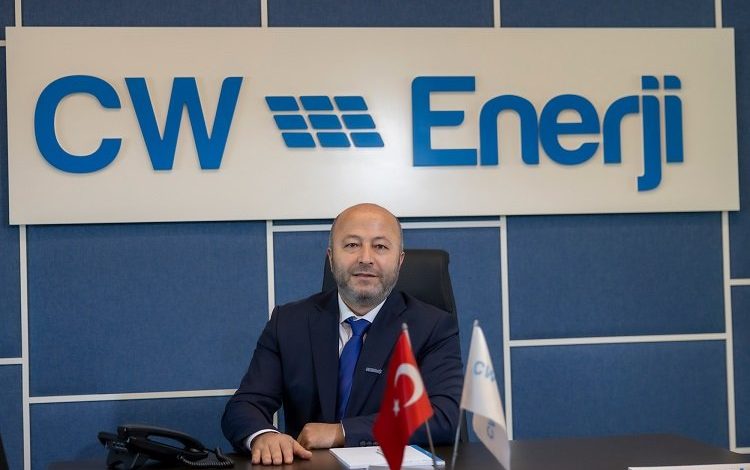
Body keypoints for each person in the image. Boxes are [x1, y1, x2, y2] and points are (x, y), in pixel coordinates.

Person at [221, 203, 462, 465]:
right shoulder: (289, 322)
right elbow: (244, 406)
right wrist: (263, 435)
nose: (366, 258)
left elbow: (444, 415)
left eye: (380, 246)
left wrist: (342, 432)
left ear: (399, 260)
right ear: (331, 257)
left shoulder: (433, 326)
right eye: (352, 245)